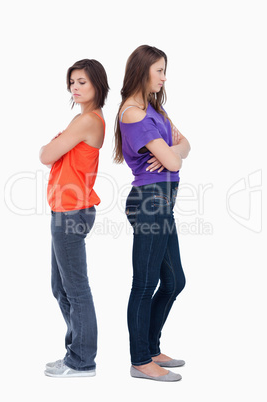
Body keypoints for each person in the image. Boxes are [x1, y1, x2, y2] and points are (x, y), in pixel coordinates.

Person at [114, 45, 191, 382]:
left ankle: (151, 347)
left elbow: (185, 145)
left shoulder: (154, 108)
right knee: (145, 283)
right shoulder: (132, 112)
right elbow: (176, 160)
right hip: (149, 201)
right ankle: (140, 360)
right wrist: (173, 155)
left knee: (175, 281)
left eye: (164, 70)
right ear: (143, 70)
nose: (163, 77)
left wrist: (172, 151)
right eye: (159, 70)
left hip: (162, 201)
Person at [40, 59, 109, 378]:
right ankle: (75, 353)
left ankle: (82, 360)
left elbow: (45, 155)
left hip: (72, 211)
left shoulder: (88, 121)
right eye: (72, 82)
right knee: (61, 286)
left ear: (97, 84)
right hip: (65, 209)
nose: (75, 87)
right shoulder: (81, 119)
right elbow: (52, 152)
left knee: (75, 288)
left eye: (82, 81)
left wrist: (52, 144)